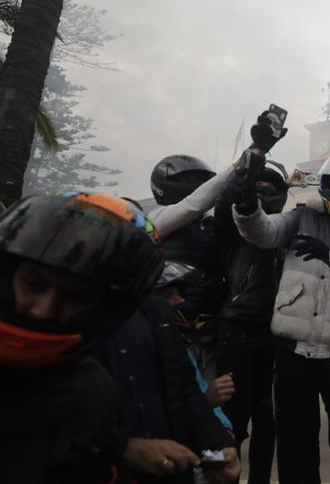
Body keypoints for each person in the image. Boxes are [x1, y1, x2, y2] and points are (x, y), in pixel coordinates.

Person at [232, 141, 330, 483]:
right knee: (294, 440)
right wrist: (246, 209)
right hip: (293, 350)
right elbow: (264, 232)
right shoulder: (302, 216)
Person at [0, 192, 164, 483]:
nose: (42, 310)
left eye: (75, 296)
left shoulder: (91, 390)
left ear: (104, 307)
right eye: (34, 284)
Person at [99, 258, 241, 484]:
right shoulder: (76, 323)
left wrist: (218, 443)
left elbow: (185, 387)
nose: (179, 301)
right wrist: (124, 448)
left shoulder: (157, 313)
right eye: (168, 294)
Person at [213, 155, 289, 483]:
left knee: (268, 422)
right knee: (232, 422)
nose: (263, 192)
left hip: (277, 334)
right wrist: (255, 156)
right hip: (237, 329)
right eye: (258, 185)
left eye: (270, 187)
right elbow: (229, 197)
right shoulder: (232, 227)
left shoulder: (287, 232)